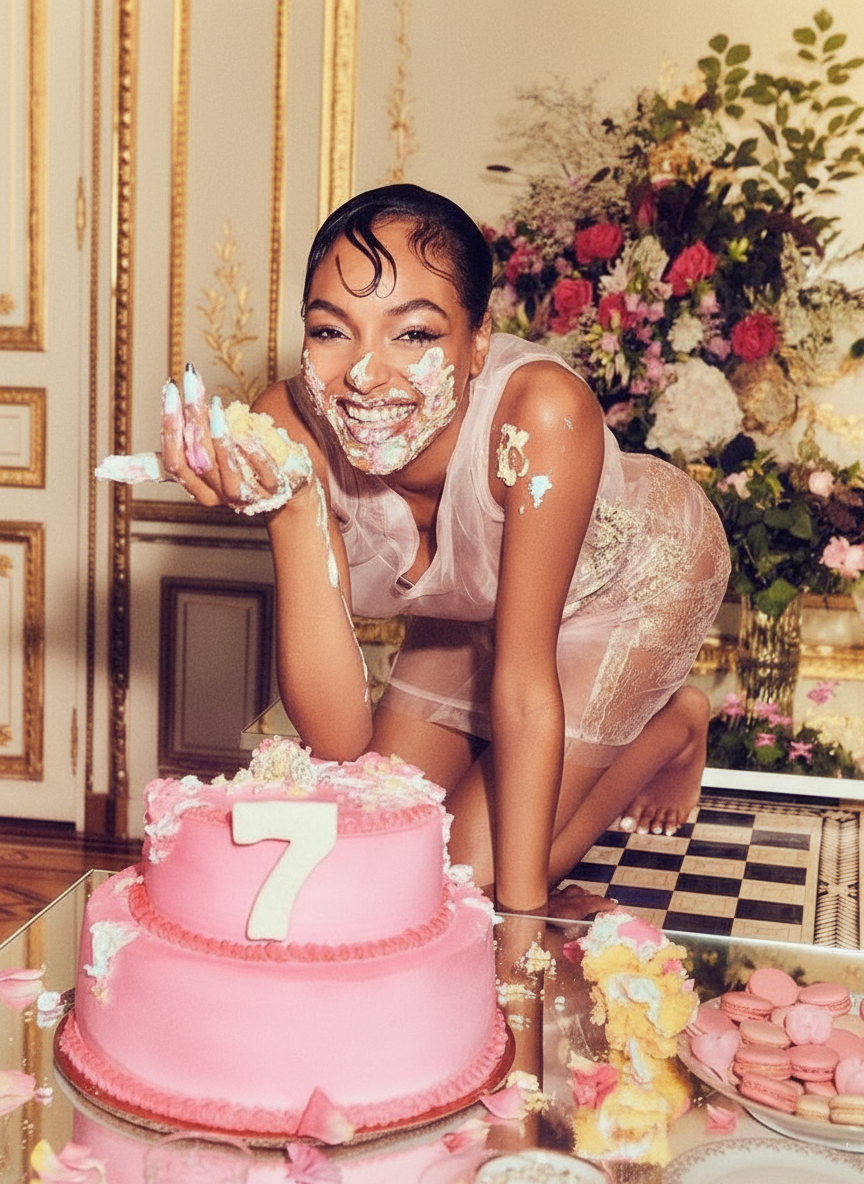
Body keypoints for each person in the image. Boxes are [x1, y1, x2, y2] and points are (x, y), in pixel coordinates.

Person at [160, 183, 730, 919]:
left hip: (631, 581)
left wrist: (522, 917)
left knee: (465, 885)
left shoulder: (542, 416)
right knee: (384, 844)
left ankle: (673, 725)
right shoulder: (287, 427)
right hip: (471, 599)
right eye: (332, 332)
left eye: (414, 334)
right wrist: (292, 505)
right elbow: (338, 741)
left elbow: (524, 686)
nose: (365, 375)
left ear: (477, 342)